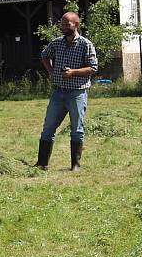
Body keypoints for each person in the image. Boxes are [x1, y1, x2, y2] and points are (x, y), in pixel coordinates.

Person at [35, 12, 98, 172]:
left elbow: (93, 68)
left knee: (77, 129)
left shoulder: (86, 44)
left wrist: (73, 72)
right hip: (58, 92)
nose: (63, 27)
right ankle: (42, 163)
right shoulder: (56, 43)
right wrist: (51, 71)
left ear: (76, 24)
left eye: (67, 24)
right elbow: (44, 56)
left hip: (77, 93)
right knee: (48, 128)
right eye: (62, 24)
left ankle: (75, 165)